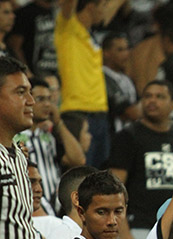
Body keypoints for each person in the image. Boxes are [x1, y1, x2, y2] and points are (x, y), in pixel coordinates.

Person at [108, 80, 173, 239]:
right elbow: (114, 186)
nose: (152, 101)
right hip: (138, 228)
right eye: (147, 96)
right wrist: (123, 231)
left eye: (159, 96)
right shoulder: (128, 136)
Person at [54, 0, 124, 167]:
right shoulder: (68, 27)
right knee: (82, 173)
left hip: (100, 113)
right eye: (103, 6)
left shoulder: (89, 34)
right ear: (91, 6)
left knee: (98, 175)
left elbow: (109, 10)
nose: (105, 11)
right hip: (78, 113)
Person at [16, 76, 84, 207]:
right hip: (28, 206)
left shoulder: (52, 135)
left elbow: (78, 160)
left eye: (49, 99)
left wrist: (58, 123)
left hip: (55, 208)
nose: (47, 104)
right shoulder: (15, 135)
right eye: (41, 99)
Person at [102, 32, 139, 133]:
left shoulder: (126, 79)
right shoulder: (102, 77)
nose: (126, 54)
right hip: (112, 135)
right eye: (120, 50)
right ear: (106, 53)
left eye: (127, 49)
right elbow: (130, 113)